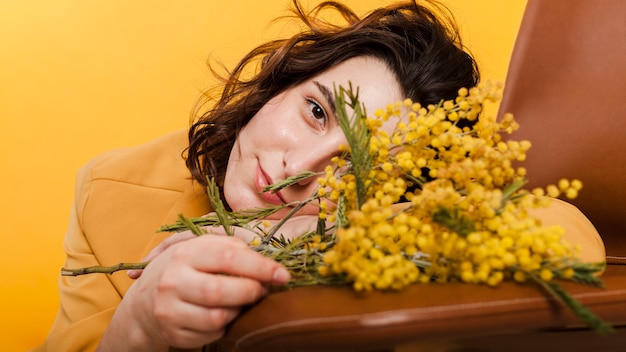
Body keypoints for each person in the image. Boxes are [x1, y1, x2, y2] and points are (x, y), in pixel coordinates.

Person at [35, 1, 604, 351]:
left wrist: (305, 235)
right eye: (316, 111)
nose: (298, 169)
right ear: (282, 80)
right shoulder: (110, 191)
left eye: (357, 168)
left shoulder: (396, 221)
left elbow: (567, 235)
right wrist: (138, 327)